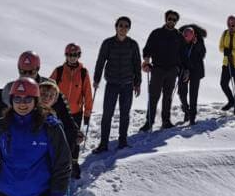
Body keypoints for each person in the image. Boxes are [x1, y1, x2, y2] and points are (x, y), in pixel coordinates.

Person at [0, 50, 82, 178]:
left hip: (43, 144)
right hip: (18, 144)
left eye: (31, 72)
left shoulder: (49, 88)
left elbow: (65, 116)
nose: (26, 75)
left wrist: (75, 133)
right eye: (23, 71)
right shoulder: (10, 89)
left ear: (38, 68)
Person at [92, 17, 142, 151]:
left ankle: (123, 141)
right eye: (121, 25)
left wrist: (138, 83)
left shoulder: (133, 44)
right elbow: (100, 62)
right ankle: (103, 144)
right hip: (112, 84)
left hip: (127, 84)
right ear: (116, 27)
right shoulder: (108, 43)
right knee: (107, 114)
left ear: (129, 29)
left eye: (126, 26)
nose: (123, 28)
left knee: (125, 114)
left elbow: (137, 64)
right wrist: (96, 79)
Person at [141, 9, 185, 131]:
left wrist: (181, 69)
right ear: (165, 19)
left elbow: (183, 54)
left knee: (167, 97)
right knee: (154, 96)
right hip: (157, 69)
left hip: (172, 71)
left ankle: (166, 121)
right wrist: (146, 61)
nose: (171, 21)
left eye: (174, 20)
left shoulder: (178, 36)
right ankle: (149, 122)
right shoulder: (156, 33)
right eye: (169, 18)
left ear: (176, 21)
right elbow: (147, 49)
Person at [51, 43, 93, 132]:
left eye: (75, 55)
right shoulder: (59, 71)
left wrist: (87, 113)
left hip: (76, 113)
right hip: (58, 111)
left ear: (79, 56)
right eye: (69, 55)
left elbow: (88, 93)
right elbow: (48, 89)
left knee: (73, 140)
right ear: (66, 55)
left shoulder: (83, 73)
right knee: (58, 138)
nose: (72, 57)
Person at [178, 24, 207, 125]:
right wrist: (184, 69)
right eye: (184, 35)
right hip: (183, 70)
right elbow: (178, 57)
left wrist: (197, 44)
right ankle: (186, 110)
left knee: (193, 95)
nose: (186, 37)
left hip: (196, 71)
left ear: (193, 35)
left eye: (188, 35)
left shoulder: (198, 41)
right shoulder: (180, 42)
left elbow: (202, 54)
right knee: (181, 92)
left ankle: (192, 117)